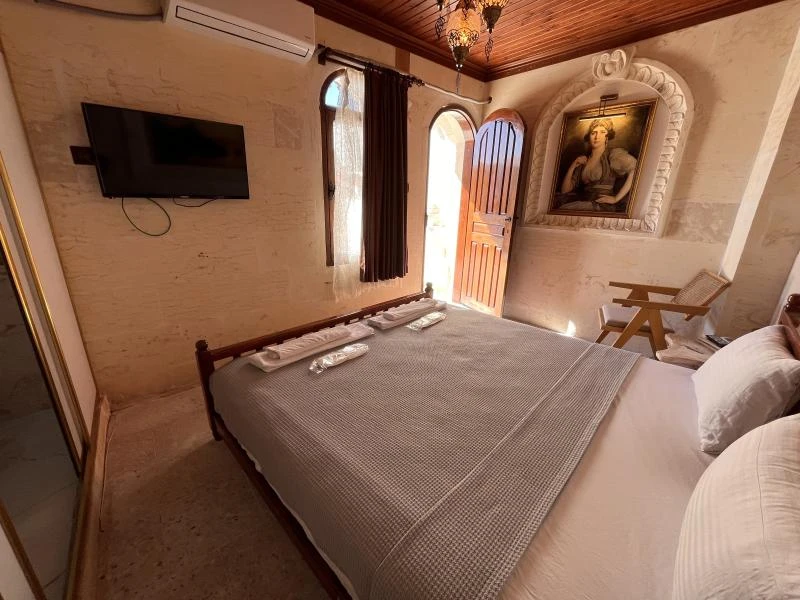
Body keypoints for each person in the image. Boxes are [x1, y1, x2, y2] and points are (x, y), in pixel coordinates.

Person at [555, 118, 638, 213]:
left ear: (607, 137)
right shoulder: (584, 161)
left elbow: (635, 169)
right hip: (585, 204)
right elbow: (565, 190)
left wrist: (616, 198)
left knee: (565, 209)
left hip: (603, 207)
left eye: (602, 132)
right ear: (589, 136)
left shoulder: (612, 155)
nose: (597, 136)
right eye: (593, 133)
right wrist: (574, 164)